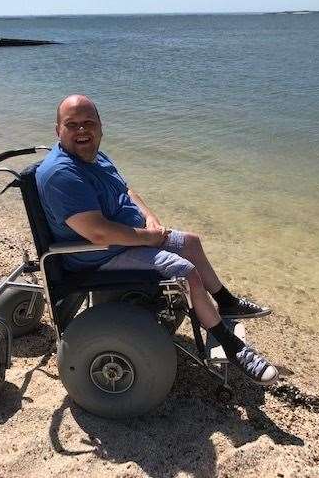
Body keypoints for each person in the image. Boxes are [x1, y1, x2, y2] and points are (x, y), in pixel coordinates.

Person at [36, 95, 278, 385]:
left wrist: (150, 218)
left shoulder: (94, 155)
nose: (82, 131)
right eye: (71, 125)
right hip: (98, 255)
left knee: (190, 242)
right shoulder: (61, 174)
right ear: (57, 131)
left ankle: (225, 303)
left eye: (88, 123)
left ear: (101, 127)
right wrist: (147, 238)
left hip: (126, 239)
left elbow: (126, 191)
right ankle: (231, 346)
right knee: (185, 271)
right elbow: (98, 232)